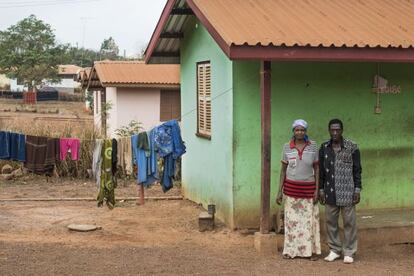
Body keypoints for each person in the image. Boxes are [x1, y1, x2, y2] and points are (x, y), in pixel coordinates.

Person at [276, 119, 321, 260]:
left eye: (302, 130)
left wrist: (317, 190)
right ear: (293, 131)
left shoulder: (313, 146)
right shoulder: (286, 147)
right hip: (291, 192)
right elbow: (283, 171)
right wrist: (279, 191)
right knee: (291, 223)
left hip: (309, 191)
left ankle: (309, 252)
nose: (300, 132)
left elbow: (317, 169)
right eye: (297, 130)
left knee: (309, 223)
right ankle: (290, 251)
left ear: (305, 132)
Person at [319, 119, 362, 264]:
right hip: (330, 191)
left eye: (338, 130)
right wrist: (321, 190)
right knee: (331, 222)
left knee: (349, 222)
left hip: (347, 191)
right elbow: (321, 172)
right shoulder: (324, 147)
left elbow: (357, 170)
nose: (335, 132)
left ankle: (349, 251)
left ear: (342, 130)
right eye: (332, 130)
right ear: (329, 131)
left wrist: (357, 189)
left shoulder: (352, 146)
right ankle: (335, 250)